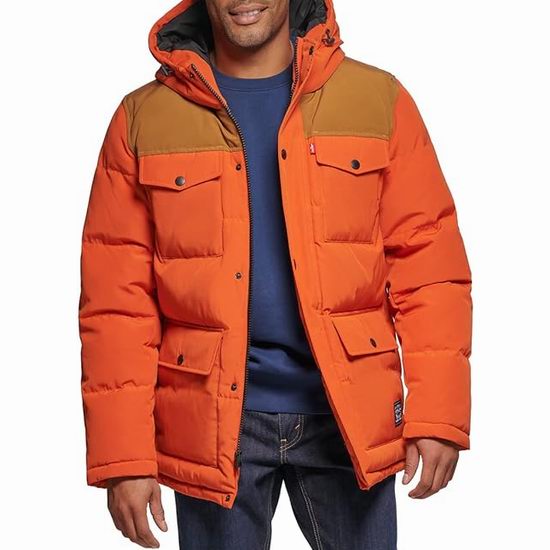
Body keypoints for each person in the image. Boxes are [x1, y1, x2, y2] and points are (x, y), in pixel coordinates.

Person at [78, 0, 473, 548]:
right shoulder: (143, 119)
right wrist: (124, 455)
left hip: (348, 412)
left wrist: (437, 415)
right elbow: (117, 303)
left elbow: (430, 268)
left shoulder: (378, 101)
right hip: (211, 420)